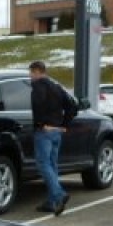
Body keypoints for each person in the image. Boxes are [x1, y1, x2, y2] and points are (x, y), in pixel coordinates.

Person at [28, 60, 76, 216]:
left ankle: (59, 194)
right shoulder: (56, 86)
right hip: (57, 131)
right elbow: (72, 106)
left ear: (37, 71)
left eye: (31, 73)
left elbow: (38, 104)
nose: (30, 76)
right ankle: (52, 202)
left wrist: (41, 123)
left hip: (45, 131)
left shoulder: (38, 86)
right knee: (52, 165)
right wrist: (64, 124)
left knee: (43, 164)